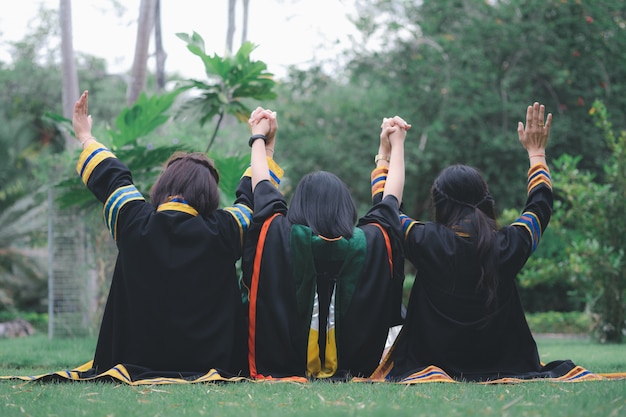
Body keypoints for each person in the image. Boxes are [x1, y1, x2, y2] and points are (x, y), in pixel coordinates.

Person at [71, 90, 283, 379]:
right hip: (207, 364)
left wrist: (85, 136)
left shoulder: (134, 221)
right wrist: (265, 146)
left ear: (163, 186)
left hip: (133, 360)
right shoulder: (224, 230)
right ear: (209, 196)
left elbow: (111, 176)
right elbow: (254, 196)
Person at [382, 102, 578, 382]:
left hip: (432, 362)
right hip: (500, 362)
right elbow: (540, 206)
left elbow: (386, 210)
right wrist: (536, 153)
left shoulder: (424, 240)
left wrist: (387, 153)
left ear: (439, 204)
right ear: (485, 199)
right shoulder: (509, 244)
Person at [241, 107, 410, 380]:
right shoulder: (371, 242)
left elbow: (261, 188)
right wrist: (391, 149)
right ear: (345, 206)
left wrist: (262, 141)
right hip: (357, 366)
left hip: (285, 365)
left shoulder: (279, 235)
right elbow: (390, 204)